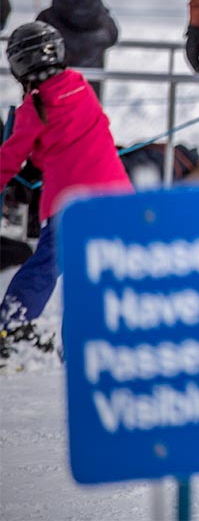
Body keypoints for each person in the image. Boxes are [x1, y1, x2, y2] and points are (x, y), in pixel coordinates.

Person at [0, 22, 131, 358]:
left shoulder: (35, 108)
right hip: (116, 198)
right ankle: (81, 344)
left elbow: (11, 158)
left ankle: (10, 327)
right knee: (93, 274)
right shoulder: (80, 86)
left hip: (70, 205)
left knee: (44, 268)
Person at [36, 0, 119, 98]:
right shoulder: (102, 20)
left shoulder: (48, 18)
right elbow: (113, 35)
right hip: (90, 109)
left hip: (52, 108)